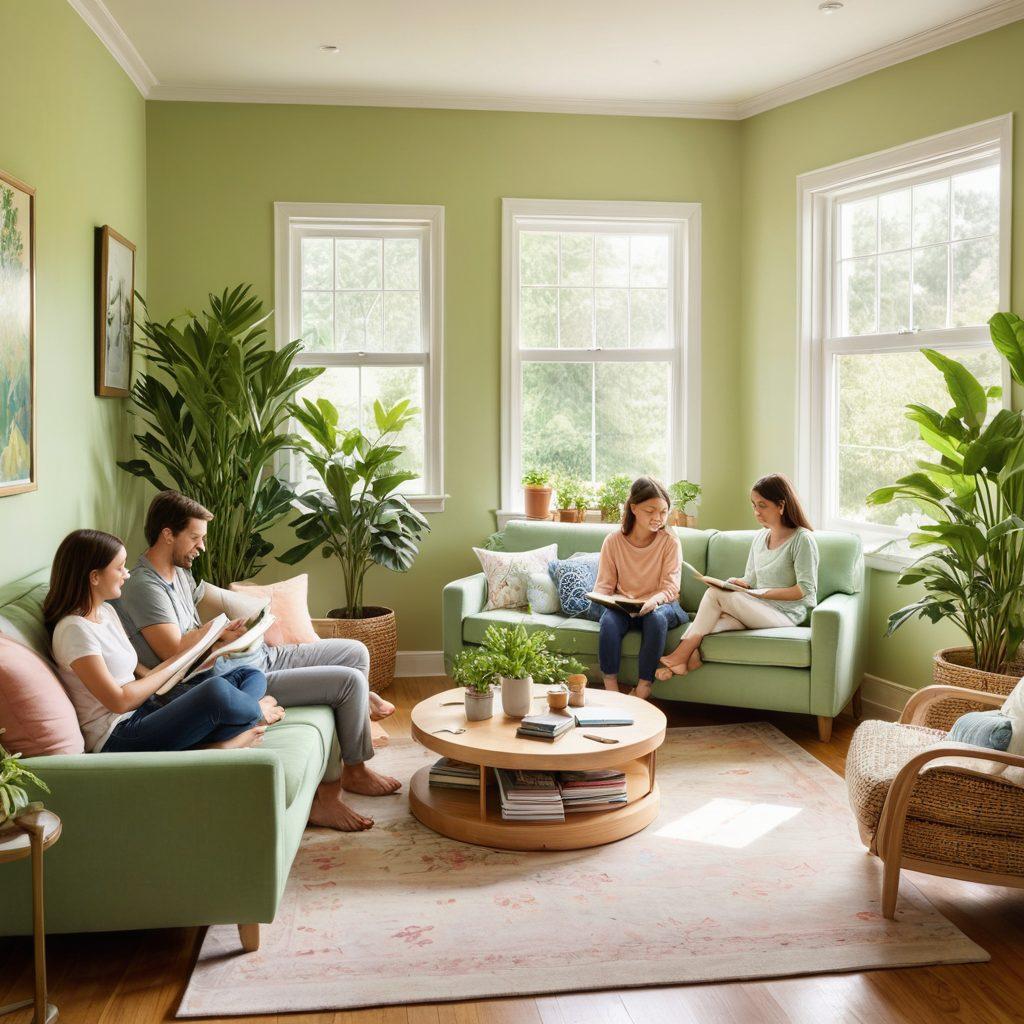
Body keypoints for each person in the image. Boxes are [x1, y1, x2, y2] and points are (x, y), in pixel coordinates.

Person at [114, 490, 399, 832]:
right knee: (349, 681)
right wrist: (218, 634)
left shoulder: (179, 572)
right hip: (232, 671)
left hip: (248, 655)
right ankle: (340, 783)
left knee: (355, 652)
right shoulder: (145, 586)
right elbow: (173, 651)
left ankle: (356, 747)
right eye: (195, 537)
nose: (201, 547)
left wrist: (253, 618)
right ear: (167, 533)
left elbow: (203, 611)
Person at [43, 530, 282, 754]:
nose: (127, 574)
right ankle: (247, 720)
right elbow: (118, 701)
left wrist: (193, 657)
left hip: (146, 708)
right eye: (119, 568)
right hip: (118, 733)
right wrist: (174, 663)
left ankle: (234, 725)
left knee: (248, 675)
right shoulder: (74, 630)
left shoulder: (106, 612)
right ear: (94, 577)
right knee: (216, 692)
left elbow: (140, 678)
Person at [656, 473, 819, 681]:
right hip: (758, 608)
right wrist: (738, 583)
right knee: (712, 622)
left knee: (715, 595)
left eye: (762, 505)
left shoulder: (802, 540)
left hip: (786, 616)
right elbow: (750, 578)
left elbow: (804, 590)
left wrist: (760, 594)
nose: (756, 512)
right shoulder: (761, 537)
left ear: (781, 505)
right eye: (753, 505)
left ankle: (679, 656)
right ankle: (689, 658)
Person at [593, 476, 687, 701]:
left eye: (663, 512)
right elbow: (604, 586)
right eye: (650, 510)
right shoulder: (613, 541)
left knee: (656, 619)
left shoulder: (670, 543)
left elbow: (671, 588)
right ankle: (612, 691)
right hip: (625, 606)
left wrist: (652, 602)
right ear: (634, 508)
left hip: (661, 605)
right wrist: (608, 601)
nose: (658, 518)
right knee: (608, 620)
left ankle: (644, 688)